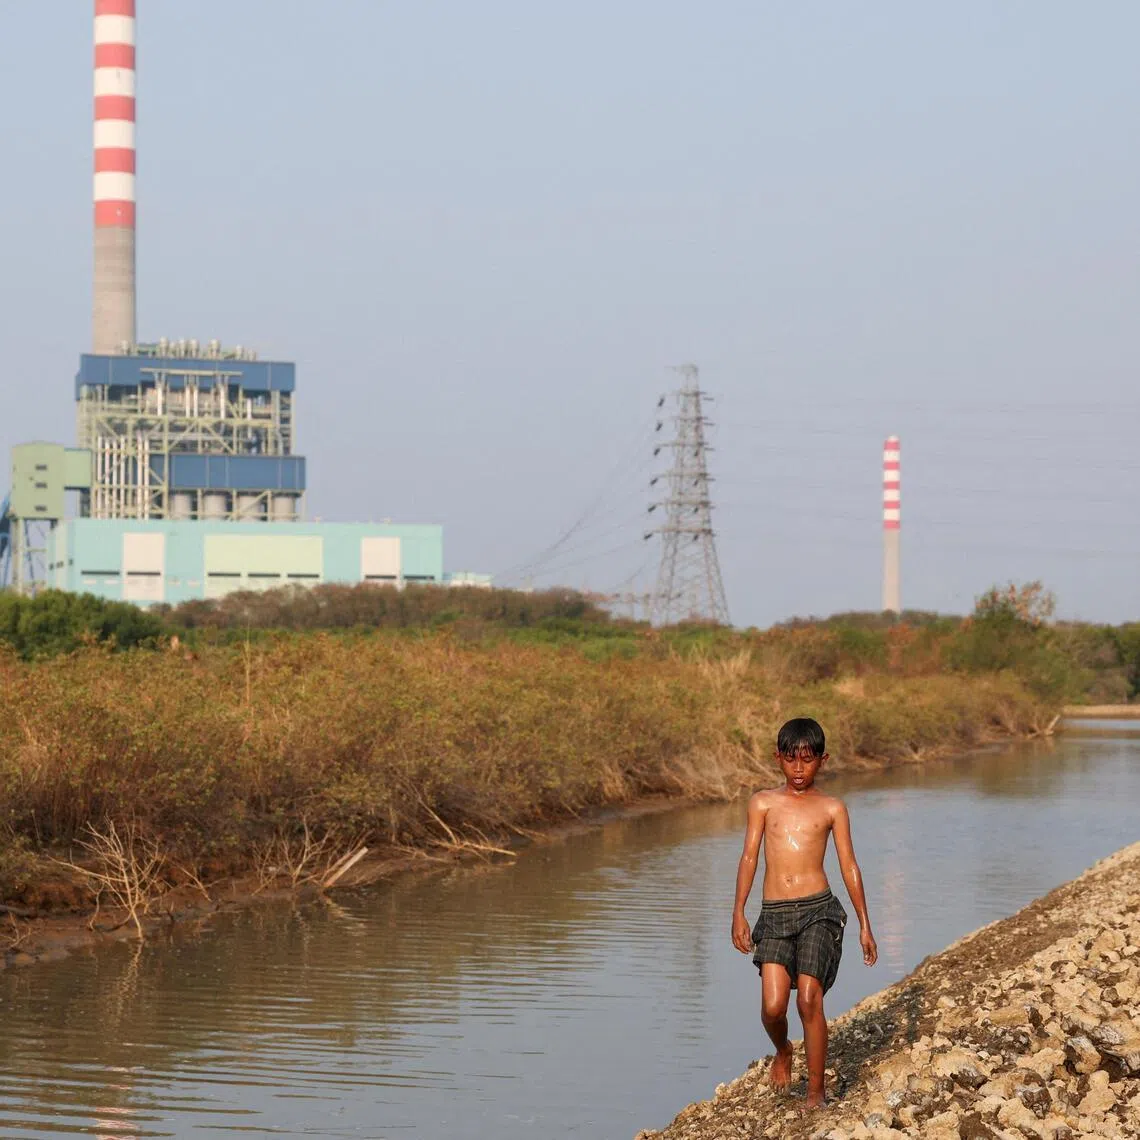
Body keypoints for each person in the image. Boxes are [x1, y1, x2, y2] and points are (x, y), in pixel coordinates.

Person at [730, 716, 877, 1108]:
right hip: (775, 912)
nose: (799, 769)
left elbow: (849, 865)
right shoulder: (763, 802)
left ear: (822, 760)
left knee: (809, 998)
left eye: (808, 760)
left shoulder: (832, 808)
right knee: (773, 1006)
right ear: (777, 758)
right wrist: (738, 912)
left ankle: (816, 1091)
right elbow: (748, 857)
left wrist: (865, 924)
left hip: (818, 910)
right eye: (791, 760)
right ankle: (783, 1051)